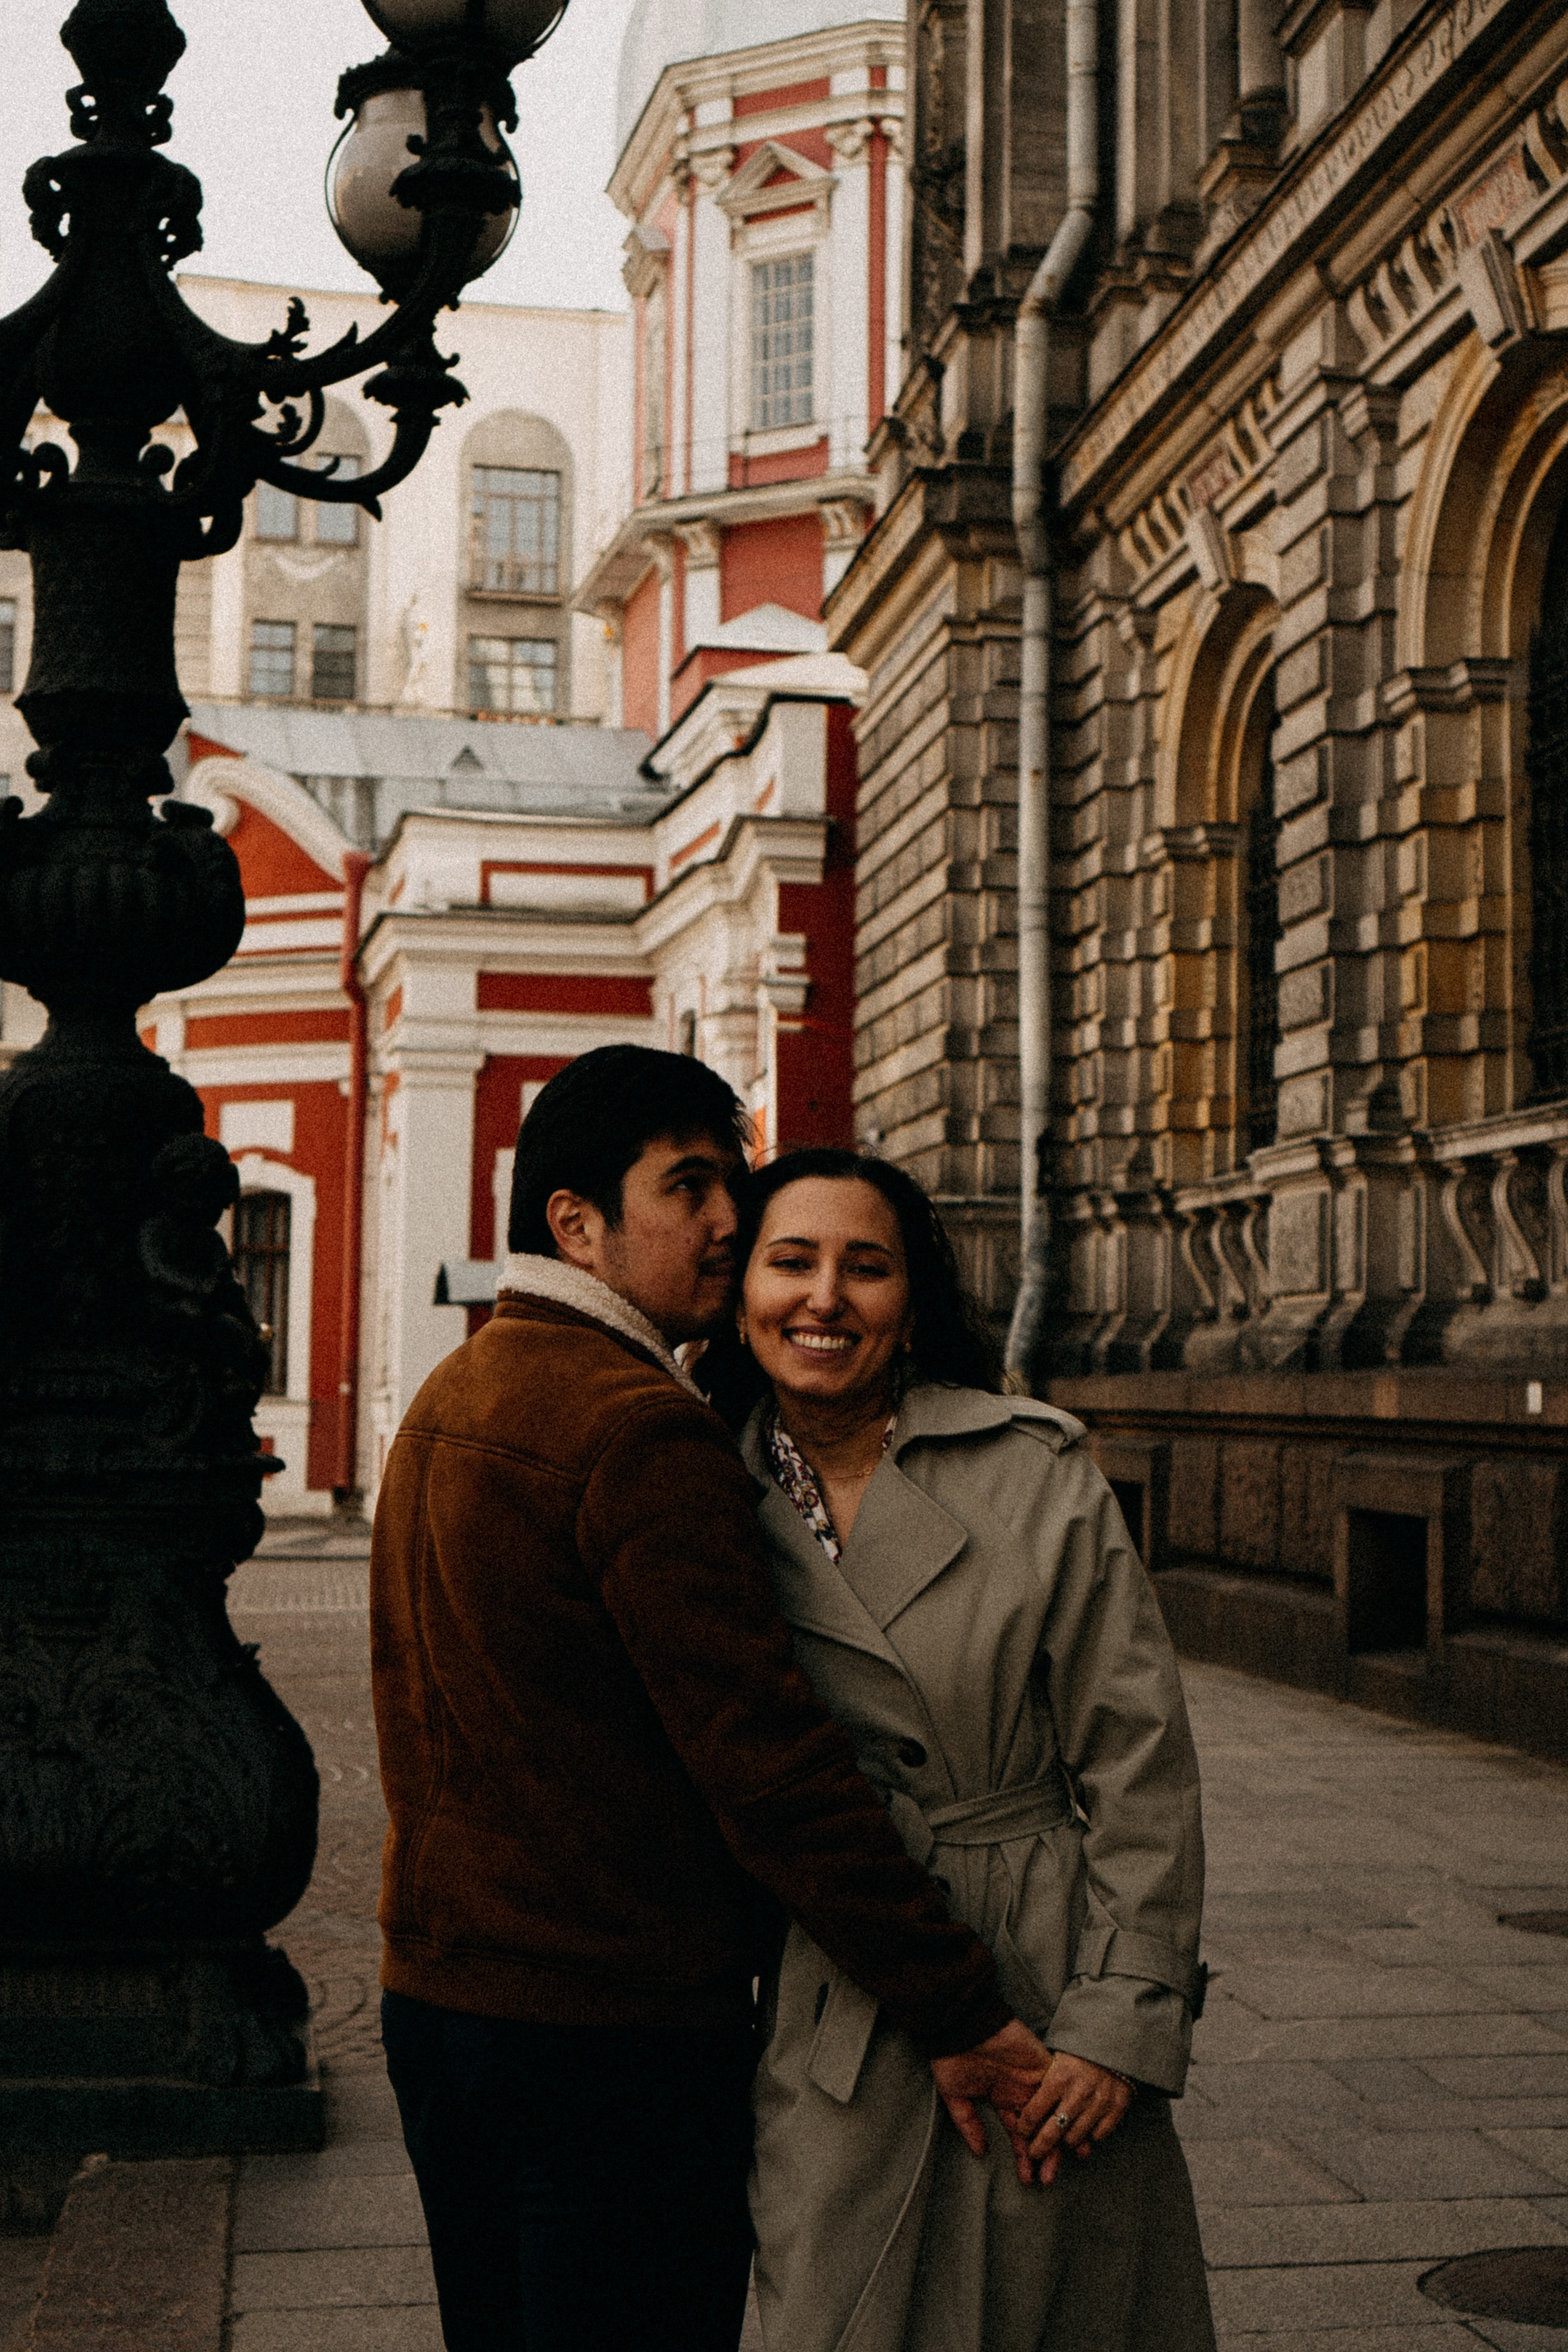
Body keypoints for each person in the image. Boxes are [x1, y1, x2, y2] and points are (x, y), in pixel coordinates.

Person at [369, 1048, 1055, 2352]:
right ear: (575, 1220)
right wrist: (958, 2008)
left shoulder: (455, 1393)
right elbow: (769, 1766)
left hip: (442, 2003)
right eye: (687, 1186)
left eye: (727, 1181)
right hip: (605, 2037)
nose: (729, 1221)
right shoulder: (637, 1428)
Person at [699, 1145, 1216, 2352]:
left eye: (863, 1268)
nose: (823, 1298)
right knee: (830, 2307)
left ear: (911, 1301)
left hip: (1045, 1986)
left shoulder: (1029, 1470)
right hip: (841, 1987)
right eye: (790, 1262)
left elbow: (1138, 1761)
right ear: (739, 1296)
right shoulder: (694, 1495)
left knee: (1064, 2307)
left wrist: (1121, 2017)